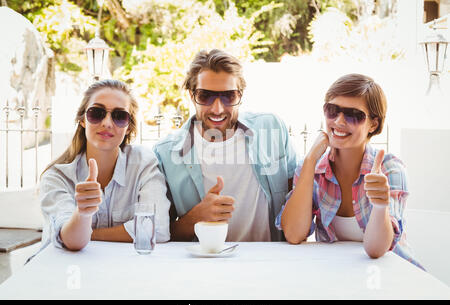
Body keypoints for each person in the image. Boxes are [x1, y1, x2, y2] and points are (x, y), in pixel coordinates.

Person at [276, 73, 422, 269]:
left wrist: (380, 206)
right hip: (339, 275)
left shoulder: (389, 169)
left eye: (353, 115)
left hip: (394, 273)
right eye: (332, 110)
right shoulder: (311, 168)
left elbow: (377, 250)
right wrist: (310, 161)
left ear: (373, 124)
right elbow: (294, 234)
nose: (339, 121)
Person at [153, 49, 297, 242]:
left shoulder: (271, 128)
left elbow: (295, 199)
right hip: (205, 265)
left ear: (240, 96)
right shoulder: (165, 153)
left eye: (229, 96)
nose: (217, 109)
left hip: (267, 260)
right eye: (205, 96)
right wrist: (196, 218)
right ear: (191, 94)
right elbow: (163, 233)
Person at [40, 79, 170, 251]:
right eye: (97, 113)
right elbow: (71, 241)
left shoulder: (143, 163)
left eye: (119, 116)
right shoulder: (57, 177)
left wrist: (90, 232)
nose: (107, 123)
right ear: (83, 120)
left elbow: (158, 229)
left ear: (129, 127)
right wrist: (82, 214)